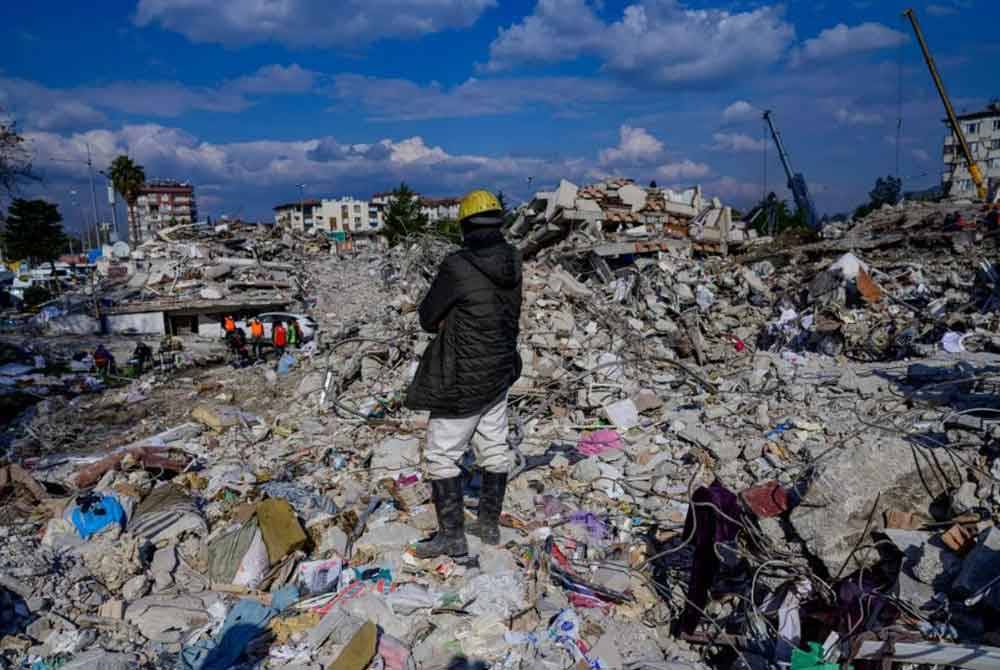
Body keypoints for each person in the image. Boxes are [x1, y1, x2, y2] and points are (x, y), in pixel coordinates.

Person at [404, 189, 522, 558]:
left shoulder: (458, 265)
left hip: (462, 376)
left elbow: (427, 318)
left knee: (442, 455)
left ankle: (451, 536)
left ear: (466, 226)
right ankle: (488, 524)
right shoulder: (514, 260)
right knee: (493, 447)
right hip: (500, 370)